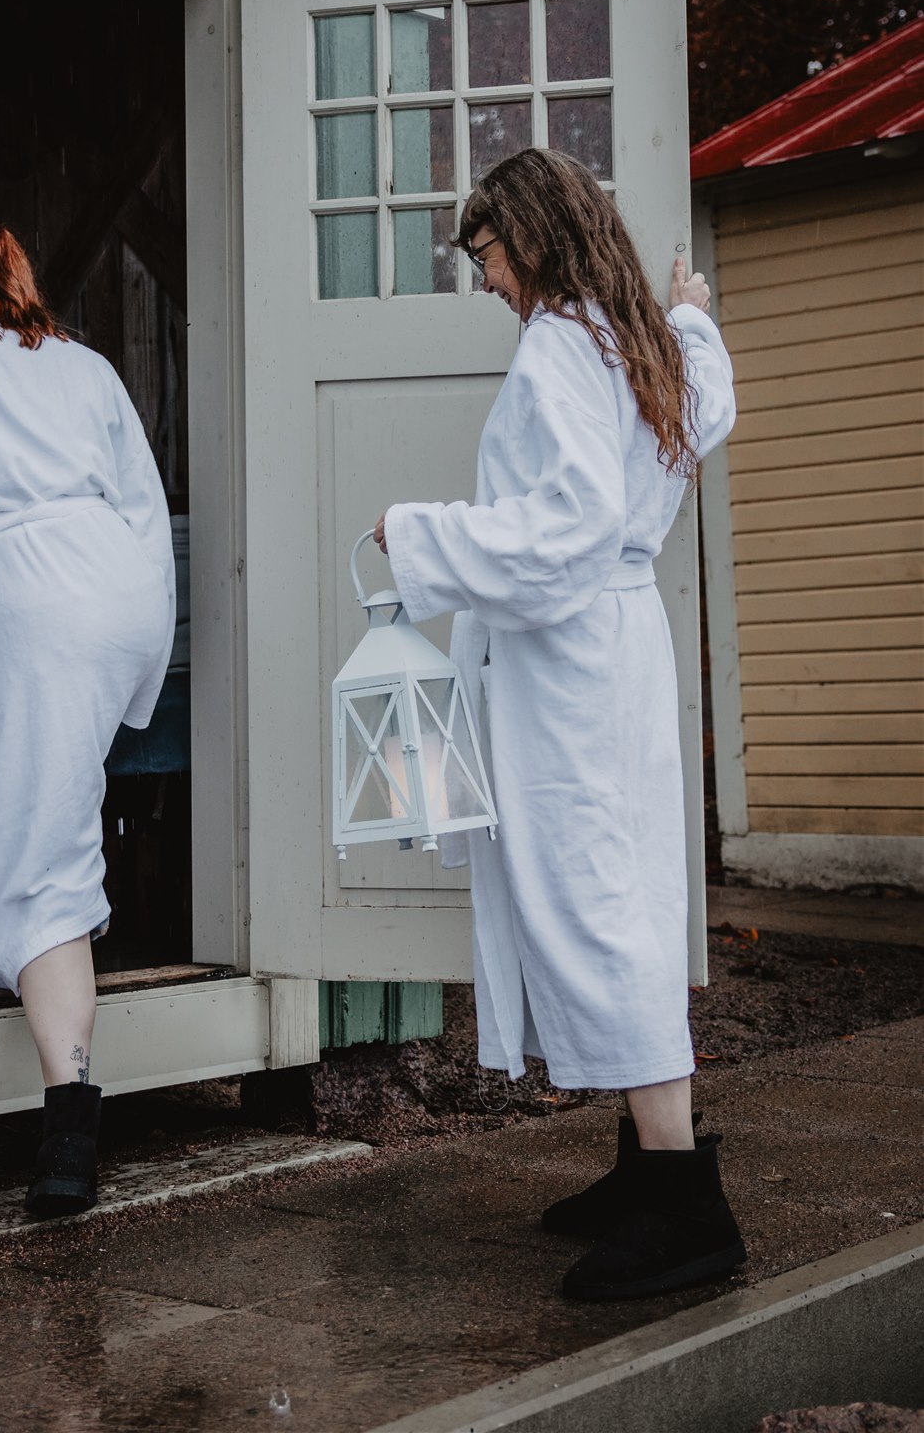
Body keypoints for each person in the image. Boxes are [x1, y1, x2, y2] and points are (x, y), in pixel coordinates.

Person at [374, 147, 743, 1301]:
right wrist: (695, 314)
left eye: (483, 253)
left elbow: (566, 527)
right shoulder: (633, 335)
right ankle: (644, 1169)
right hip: (615, 648)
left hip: (571, 660)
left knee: (597, 906)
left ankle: (686, 1208)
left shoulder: (555, 348)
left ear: (527, 235)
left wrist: (420, 533)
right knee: (619, 890)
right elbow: (709, 399)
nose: (482, 278)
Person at [0, 220, 175, 1217]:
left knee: (40, 843)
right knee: (3, 802)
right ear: (22, 284)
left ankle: (69, 1110)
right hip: (118, 584)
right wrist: (140, 666)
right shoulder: (86, 366)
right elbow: (143, 505)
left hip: (31, 593)